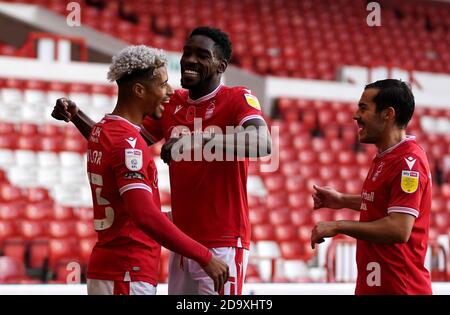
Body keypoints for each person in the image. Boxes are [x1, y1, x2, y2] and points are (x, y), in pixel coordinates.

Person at [51, 26, 271, 295]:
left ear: (220, 65)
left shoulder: (237, 98)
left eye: (202, 55)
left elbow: (263, 143)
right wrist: (77, 117)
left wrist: (197, 139)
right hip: (182, 242)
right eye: (186, 52)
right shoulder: (171, 103)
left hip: (223, 241)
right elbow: (122, 144)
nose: (189, 60)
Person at [311, 79, 432, 295]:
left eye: (363, 108)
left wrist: (339, 226)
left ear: (388, 114)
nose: (355, 115)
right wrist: (341, 200)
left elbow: (398, 228)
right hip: (377, 285)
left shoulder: (408, 161)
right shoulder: (386, 157)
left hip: (400, 288)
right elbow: (385, 201)